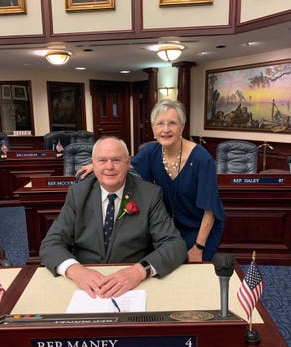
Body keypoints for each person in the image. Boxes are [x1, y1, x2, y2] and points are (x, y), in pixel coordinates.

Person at [40, 136, 187, 299]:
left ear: (128, 162)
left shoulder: (150, 194)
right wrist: (76, 271)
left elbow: (175, 245)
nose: (109, 167)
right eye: (102, 160)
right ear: (93, 163)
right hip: (85, 288)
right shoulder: (78, 194)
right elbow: (51, 244)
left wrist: (139, 271)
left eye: (116, 160)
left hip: (132, 286)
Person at [77, 100, 225, 262]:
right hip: (168, 229)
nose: (166, 129)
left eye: (172, 123)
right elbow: (124, 163)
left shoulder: (202, 159)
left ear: (182, 127)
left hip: (199, 231)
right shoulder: (151, 152)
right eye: (160, 123)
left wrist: (198, 247)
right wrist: (97, 164)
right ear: (154, 128)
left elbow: (210, 211)